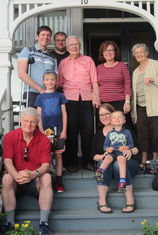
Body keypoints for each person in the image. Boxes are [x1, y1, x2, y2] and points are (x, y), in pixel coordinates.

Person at [0, 107, 53, 235]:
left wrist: (33, 174)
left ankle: (44, 224)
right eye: (25, 121)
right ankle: (9, 222)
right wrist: (16, 175)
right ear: (21, 121)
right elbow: (7, 161)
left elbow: (46, 165)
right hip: (16, 180)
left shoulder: (44, 140)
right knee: (6, 178)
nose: (28, 125)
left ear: (37, 123)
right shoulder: (10, 137)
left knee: (47, 177)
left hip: (35, 181)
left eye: (32, 122)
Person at [58, 35, 101, 172]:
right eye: (71, 45)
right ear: (67, 47)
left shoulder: (88, 60)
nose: (74, 47)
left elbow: (94, 80)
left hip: (87, 98)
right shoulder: (63, 63)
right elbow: (59, 83)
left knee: (88, 131)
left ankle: (88, 161)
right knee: (71, 131)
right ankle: (72, 162)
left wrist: (97, 96)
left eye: (76, 44)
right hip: (69, 99)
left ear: (80, 46)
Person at [91, 103, 139, 213]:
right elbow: (93, 155)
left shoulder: (126, 130)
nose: (104, 117)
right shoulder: (98, 134)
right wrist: (103, 155)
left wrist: (130, 151)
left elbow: (137, 147)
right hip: (109, 162)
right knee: (101, 163)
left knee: (118, 164)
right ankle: (102, 201)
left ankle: (130, 199)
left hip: (127, 162)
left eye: (107, 113)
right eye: (101, 115)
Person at [35, 70, 67, 193]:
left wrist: (64, 129)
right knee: (46, 155)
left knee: (58, 155)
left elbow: (64, 113)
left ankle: (59, 182)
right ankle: (46, 181)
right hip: (46, 130)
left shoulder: (60, 96)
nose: (50, 82)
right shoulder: (40, 97)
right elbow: (39, 114)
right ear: (43, 81)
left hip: (58, 128)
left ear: (56, 82)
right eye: (47, 79)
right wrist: (41, 130)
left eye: (52, 79)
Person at [131, 43, 158, 169]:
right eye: (136, 53)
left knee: (155, 132)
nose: (139, 55)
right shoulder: (136, 71)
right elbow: (133, 93)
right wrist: (133, 113)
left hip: (154, 105)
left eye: (141, 52)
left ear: (146, 52)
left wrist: (153, 79)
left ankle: (154, 158)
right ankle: (144, 159)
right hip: (140, 107)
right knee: (142, 133)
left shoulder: (156, 64)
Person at [97, 41, 134, 131]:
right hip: (105, 103)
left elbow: (127, 84)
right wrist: (96, 98)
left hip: (120, 102)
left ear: (115, 52)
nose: (108, 53)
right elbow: (95, 85)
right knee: (106, 127)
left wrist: (127, 102)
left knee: (123, 127)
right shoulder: (99, 68)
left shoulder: (122, 66)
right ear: (102, 53)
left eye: (111, 50)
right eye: (106, 50)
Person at [94, 111, 134, 193]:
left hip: (121, 152)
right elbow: (105, 146)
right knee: (107, 158)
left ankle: (122, 181)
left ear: (124, 120)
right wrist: (108, 149)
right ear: (111, 122)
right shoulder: (110, 133)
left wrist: (125, 147)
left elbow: (131, 144)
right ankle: (100, 171)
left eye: (119, 117)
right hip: (112, 152)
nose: (117, 119)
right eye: (114, 118)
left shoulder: (127, 132)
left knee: (121, 161)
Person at [18, 26, 58, 107]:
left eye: (48, 35)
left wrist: (50, 91)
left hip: (48, 94)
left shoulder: (53, 58)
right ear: (37, 37)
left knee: (47, 119)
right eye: (43, 35)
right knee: (33, 119)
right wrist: (40, 89)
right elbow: (21, 74)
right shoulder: (28, 51)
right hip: (31, 93)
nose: (45, 37)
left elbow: (56, 77)